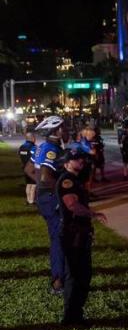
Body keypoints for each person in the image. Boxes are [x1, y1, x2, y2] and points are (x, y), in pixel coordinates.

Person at [56, 148, 107, 326]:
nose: (81, 162)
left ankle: (76, 314)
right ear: (67, 162)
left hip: (79, 232)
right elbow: (72, 205)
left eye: (81, 159)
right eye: (76, 159)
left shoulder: (76, 179)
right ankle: (70, 317)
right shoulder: (67, 180)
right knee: (76, 275)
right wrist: (93, 214)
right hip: (72, 234)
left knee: (83, 275)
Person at [25, 116, 67, 295]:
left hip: (45, 198)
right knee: (59, 239)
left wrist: (41, 188)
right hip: (52, 199)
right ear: (56, 131)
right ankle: (58, 282)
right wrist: (62, 188)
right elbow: (45, 176)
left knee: (57, 237)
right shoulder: (52, 150)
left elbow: (28, 169)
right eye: (63, 127)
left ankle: (60, 278)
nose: (65, 130)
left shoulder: (41, 146)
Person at [18, 131, 36, 205]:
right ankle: (32, 201)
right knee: (34, 184)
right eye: (34, 138)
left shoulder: (22, 147)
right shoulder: (33, 147)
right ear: (32, 138)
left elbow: (19, 155)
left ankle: (28, 200)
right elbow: (35, 157)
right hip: (32, 168)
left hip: (24, 168)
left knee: (28, 184)